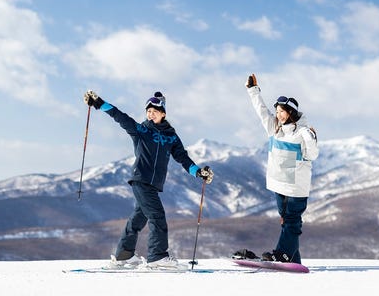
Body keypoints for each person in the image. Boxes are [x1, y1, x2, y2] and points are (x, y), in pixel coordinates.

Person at [83, 90, 214, 268]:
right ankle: (157, 257)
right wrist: (99, 103)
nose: (150, 114)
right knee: (157, 216)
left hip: (153, 185)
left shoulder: (171, 137)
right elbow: (120, 116)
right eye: (148, 111)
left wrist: (199, 172)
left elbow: (183, 158)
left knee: (138, 219)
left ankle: (124, 255)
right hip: (141, 180)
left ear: (163, 114)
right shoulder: (141, 130)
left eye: (154, 111)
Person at [245, 74, 319, 264]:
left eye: (282, 112)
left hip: (296, 186)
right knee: (287, 222)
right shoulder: (274, 128)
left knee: (292, 221)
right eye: (277, 111)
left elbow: (312, 156)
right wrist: (253, 90)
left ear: (291, 112)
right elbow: (261, 110)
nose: (278, 115)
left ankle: (283, 253)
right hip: (279, 184)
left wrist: (312, 139)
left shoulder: (303, 132)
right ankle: (293, 259)